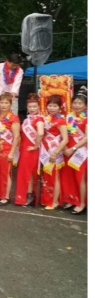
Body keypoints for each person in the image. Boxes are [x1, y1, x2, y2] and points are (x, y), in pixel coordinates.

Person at [0, 94, 21, 205]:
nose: (4, 105)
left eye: (6, 103)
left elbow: (16, 136)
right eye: (2, 102)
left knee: (5, 173)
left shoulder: (14, 118)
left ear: (11, 104)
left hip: (6, 149)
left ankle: (5, 196)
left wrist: (12, 153)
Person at [15, 94, 45, 207]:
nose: (32, 109)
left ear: (39, 107)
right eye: (30, 107)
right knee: (27, 173)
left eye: (34, 106)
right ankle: (28, 194)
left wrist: (36, 146)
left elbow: (40, 133)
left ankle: (27, 196)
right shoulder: (28, 119)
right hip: (25, 148)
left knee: (26, 173)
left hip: (31, 150)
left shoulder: (39, 119)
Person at [40, 95, 69, 210]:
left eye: (55, 106)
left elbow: (65, 139)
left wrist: (55, 153)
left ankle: (54, 201)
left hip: (55, 151)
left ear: (60, 107)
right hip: (46, 151)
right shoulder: (47, 119)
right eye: (50, 105)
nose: (52, 108)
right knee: (47, 176)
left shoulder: (61, 121)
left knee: (55, 176)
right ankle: (47, 199)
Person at [61, 87, 87, 215]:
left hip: (81, 151)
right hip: (68, 151)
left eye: (80, 103)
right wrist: (65, 148)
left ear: (86, 106)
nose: (77, 105)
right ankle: (71, 199)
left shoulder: (88, 118)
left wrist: (73, 148)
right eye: (75, 103)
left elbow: (88, 137)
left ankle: (82, 203)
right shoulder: (68, 117)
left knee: (80, 178)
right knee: (69, 177)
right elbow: (64, 135)